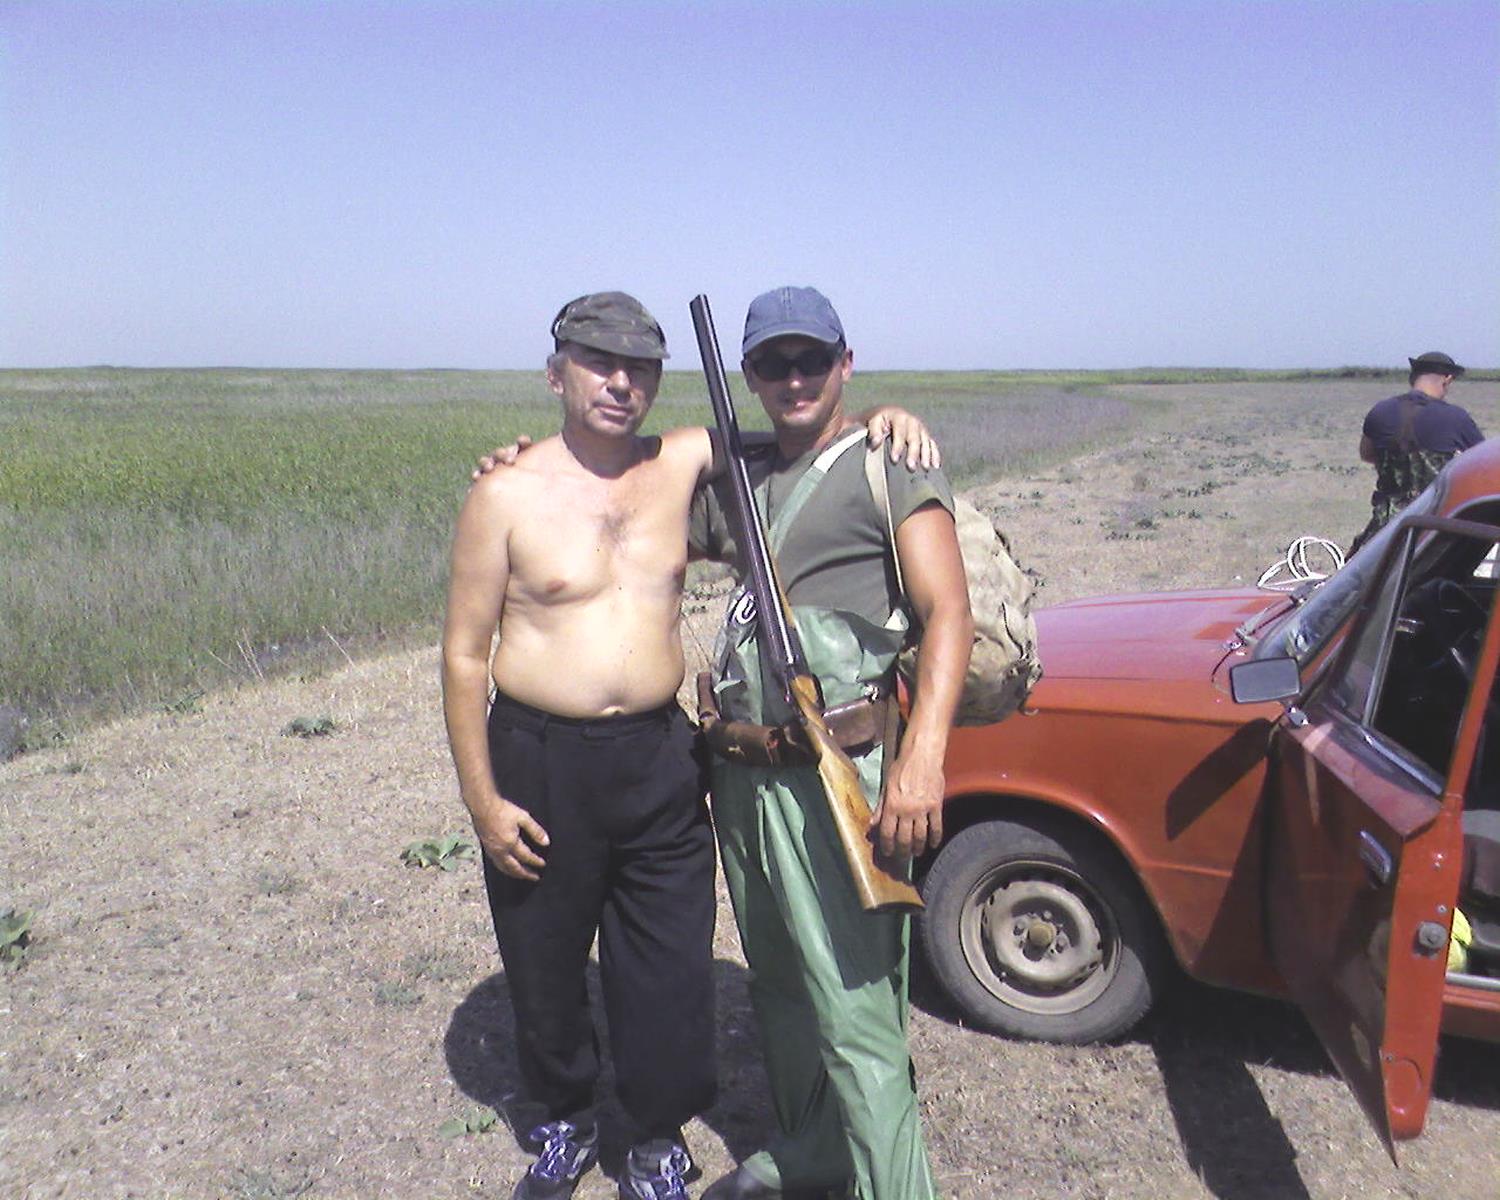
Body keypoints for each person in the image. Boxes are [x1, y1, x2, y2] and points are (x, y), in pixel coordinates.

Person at [448, 291, 936, 1200]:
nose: (619, 382)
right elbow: (464, 652)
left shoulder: (681, 461)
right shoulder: (505, 492)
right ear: (556, 375)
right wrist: (482, 799)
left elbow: (806, 433)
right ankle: (564, 1119)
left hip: (659, 754)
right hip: (540, 755)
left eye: (639, 367)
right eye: (598, 363)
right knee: (543, 957)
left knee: (668, 966)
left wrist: (884, 416)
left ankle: (655, 1138)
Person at [692, 287, 972, 1200]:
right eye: (773, 363)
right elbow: (628, 494)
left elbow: (948, 613)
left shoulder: (889, 462)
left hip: (838, 770)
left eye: (812, 358)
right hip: (745, 773)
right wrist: (532, 460)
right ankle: (814, 1155)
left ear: (845, 363)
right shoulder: (739, 478)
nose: (795, 378)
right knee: (781, 988)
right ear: (749, 375)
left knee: (858, 1015)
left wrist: (922, 758)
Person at [1351, 350, 1482, 552]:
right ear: (1447, 379)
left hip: (1386, 526)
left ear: (1413, 377)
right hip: (1434, 526)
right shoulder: (1456, 417)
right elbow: (1483, 464)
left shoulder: (1379, 411)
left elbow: (1366, 454)